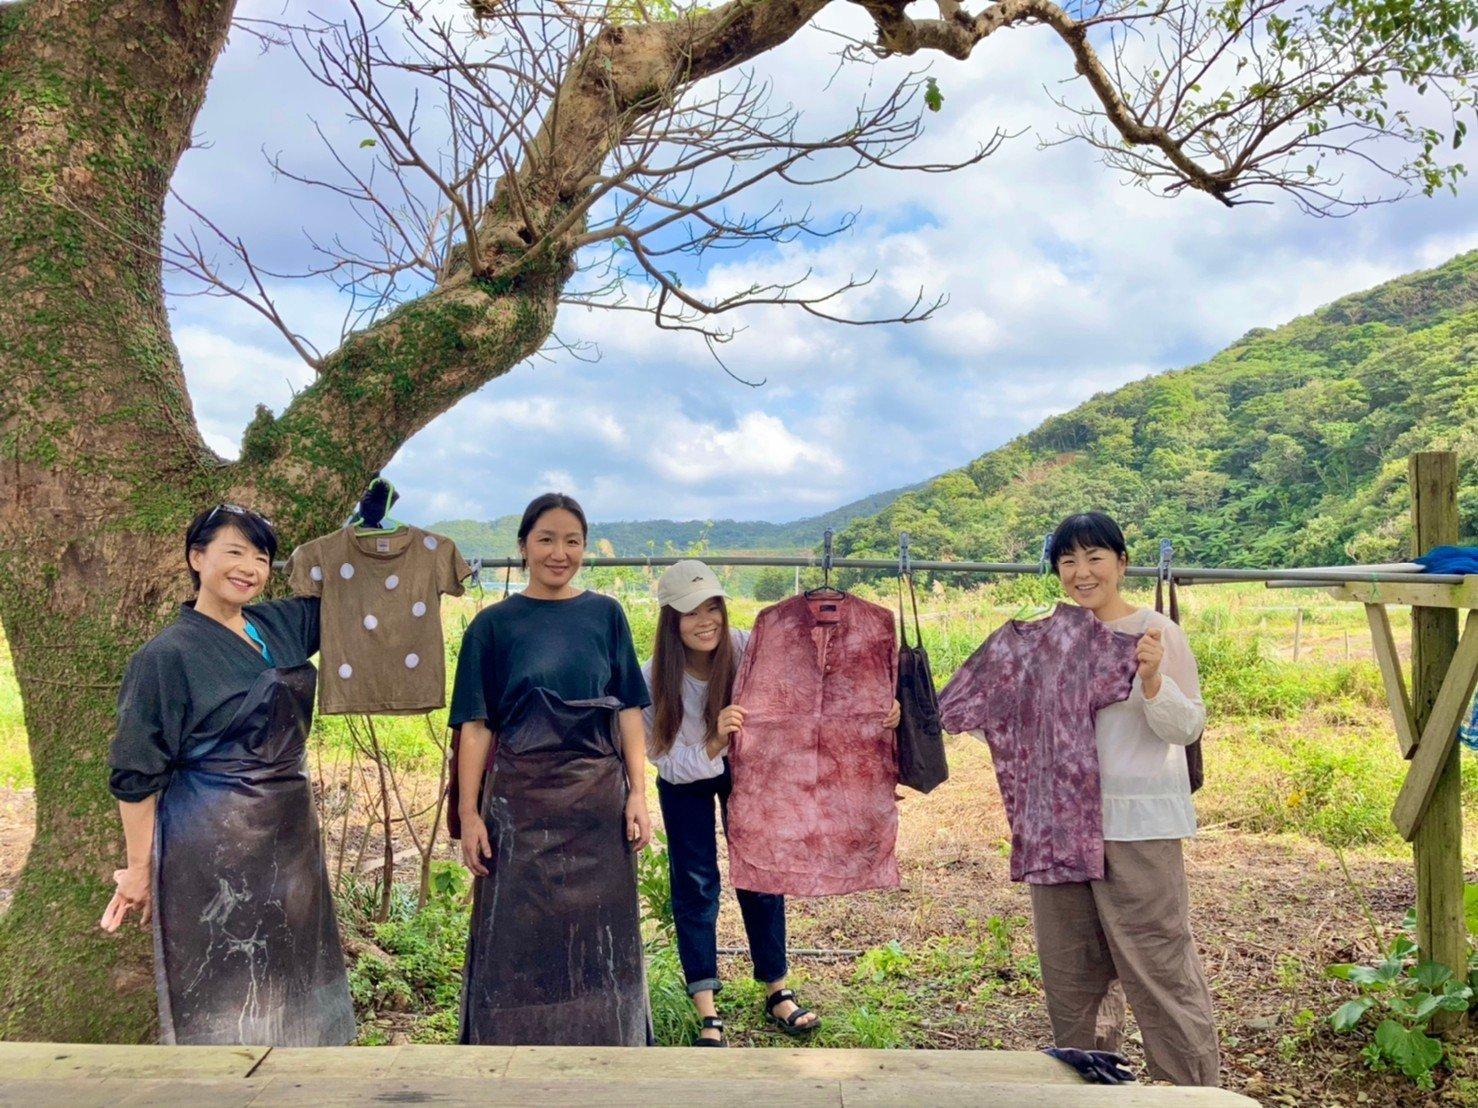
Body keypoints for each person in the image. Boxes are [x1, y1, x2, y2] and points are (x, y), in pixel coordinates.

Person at [102, 503, 354, 1046]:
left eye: (261, 557)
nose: (249, 568)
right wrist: (139, 867)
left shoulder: (278, 624)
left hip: (290, 835)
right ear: (197, 557)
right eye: (234, 552)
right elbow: (135, 774)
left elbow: (356, 587)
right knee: (223, 980)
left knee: (294, 966)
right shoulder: (164, 657)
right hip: (211, 845)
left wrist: (373, 530)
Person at [644, 560, 901, 1045]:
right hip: (687, 780)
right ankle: (706, 1006)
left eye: (713, 608)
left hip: (753, 772)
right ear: (669, 620)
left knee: (762, 871)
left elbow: (818, 690)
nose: (706, 621)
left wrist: (878, 706)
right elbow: (666, 761)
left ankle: (777, 990)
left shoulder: (751, 646)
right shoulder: (653, 677)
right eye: (690, 612)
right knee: (695, 883)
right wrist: (716, 741)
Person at [450, 492, 653, 1045]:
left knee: (601, 939)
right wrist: (470, 814)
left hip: (597, 808)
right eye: (546, 539)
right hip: (519, 806)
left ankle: (607, 1046)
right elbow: (476, 726)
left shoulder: (606, 615)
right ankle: (509, 1052)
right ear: (523, 547)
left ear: (584, 548)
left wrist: (639, 793)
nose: (559, 553)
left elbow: (630, 710)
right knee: (516, 937)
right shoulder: (491, 627)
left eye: (572, 541)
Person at [1032, 511, 1220, 1086]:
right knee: (1071, 971)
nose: (1081, 572)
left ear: (1121, 562)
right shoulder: (1048, 638)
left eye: (1094, 558)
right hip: (1060, 829)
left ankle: (1192, 1093)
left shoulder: (1156, 631)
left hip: (1135, 825)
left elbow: (1186, 728)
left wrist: (1156, 682)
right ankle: (1088, 1084)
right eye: (1068, 561)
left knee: (1159, 964)